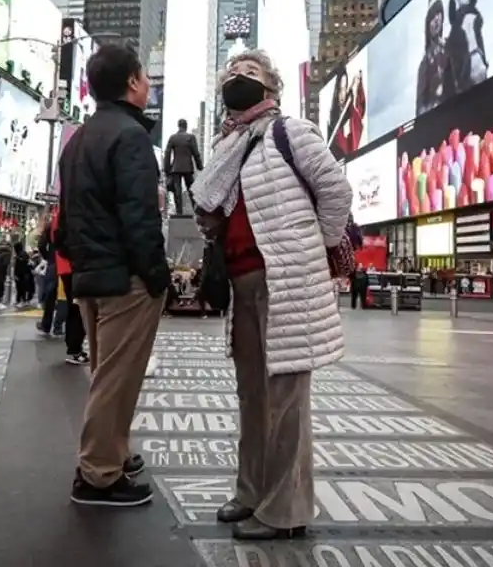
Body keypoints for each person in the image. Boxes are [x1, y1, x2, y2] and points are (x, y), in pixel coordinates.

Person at [192, 49, 352, 541]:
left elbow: (336, 191)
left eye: (250, 72)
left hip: (287, 282)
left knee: (286, 401)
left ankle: (285, 511)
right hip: (242, 283)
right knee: (253, 396)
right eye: (231, 73)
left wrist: (315, 246)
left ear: (271, 88)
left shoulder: (290, 132)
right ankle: (251, 492)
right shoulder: (225, 146)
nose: (238, 78)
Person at [57, 43, 170, 507]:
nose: (148, 85)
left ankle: (115, 453)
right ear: (131, 82)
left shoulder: (77, 140)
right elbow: (139, 215)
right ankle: (98, 474)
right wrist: (157, 275)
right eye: (144, 76)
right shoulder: (130, 137)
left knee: (108, 375)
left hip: (90, 276)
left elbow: (66, 217)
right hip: (126, 279)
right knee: (116, 380)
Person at [50, 208, 88, 364]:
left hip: (66, 267)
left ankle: (74, 348)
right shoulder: (67, 213)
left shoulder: (59, 214)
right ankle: (75, 349)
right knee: (79, 308)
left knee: (75, 308)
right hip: (73, 267)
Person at [163, 118, 203, 215]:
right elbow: (196, 153)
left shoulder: (173, 138)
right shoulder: (191, 137)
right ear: (186, 126)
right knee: (191, 189)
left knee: (177, 190)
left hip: (176, 168)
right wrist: (200, 166)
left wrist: (167, 169)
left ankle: (179, 212)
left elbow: (167, 154)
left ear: (178, 126)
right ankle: (196, 211)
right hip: (188, 167)